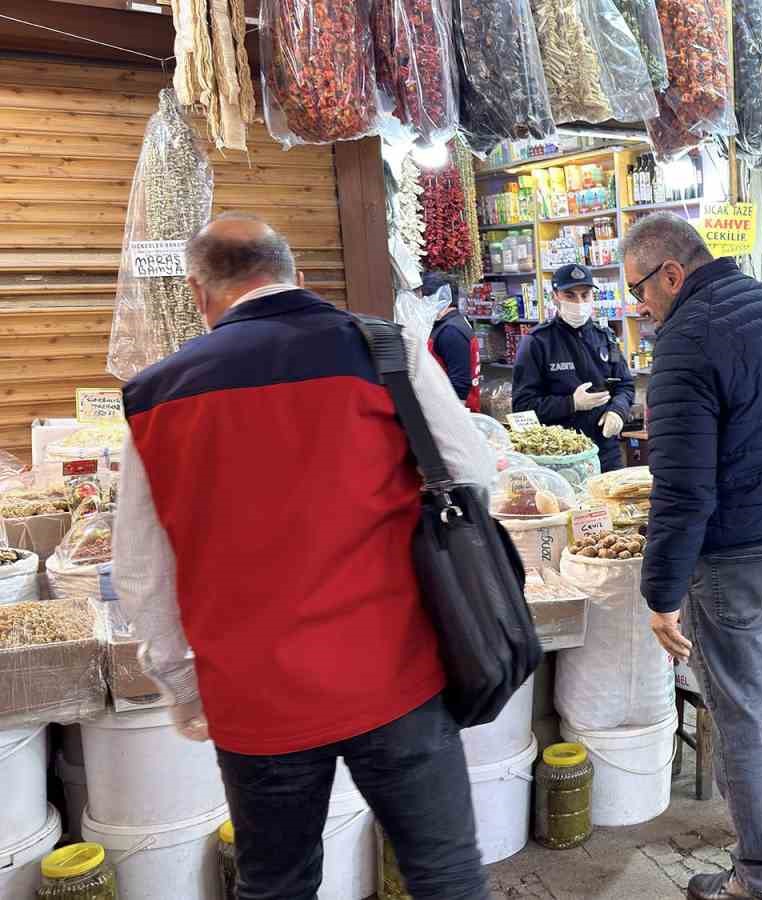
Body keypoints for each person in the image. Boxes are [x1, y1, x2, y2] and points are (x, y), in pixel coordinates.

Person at [112, 213, 496, 900]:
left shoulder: (154, 395)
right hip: (396, 671)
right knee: (444, 874)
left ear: (201, 294)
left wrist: (181, 685)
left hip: (254, 696)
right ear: (294, 274)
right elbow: (471, 480)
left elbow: (143, 572)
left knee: (277, 884)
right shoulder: (383, 348)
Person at [623, 213, 762, 900]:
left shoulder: (685, 341)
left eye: (640, 290)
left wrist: (659, 593)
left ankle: (760, 875)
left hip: (736, 561)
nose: (639, 307)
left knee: (743, 714)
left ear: (672, 273)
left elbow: (683, 486)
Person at [512, 263, 635, 471]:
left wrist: (618, 411)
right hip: (560, 457)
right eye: (570, 295)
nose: (579, 302)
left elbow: (625, 386)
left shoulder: (606, 337)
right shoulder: (537, 342)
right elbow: (522, 407)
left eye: (585, 295)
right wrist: (571, 404)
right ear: (555, 297)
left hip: (605, 451)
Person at [421, 270, 482, 412]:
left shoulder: (451, 331)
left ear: (439, 297)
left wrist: (453, 418)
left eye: (424, 298)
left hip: (456, 413)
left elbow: (459, 383)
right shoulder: (451, 324)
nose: (422, 303)